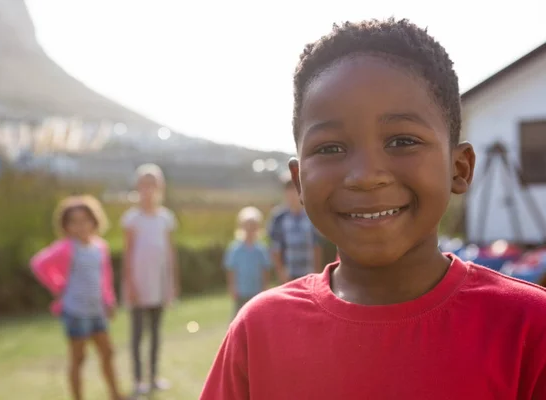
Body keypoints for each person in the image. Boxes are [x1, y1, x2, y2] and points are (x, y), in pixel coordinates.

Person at [200, 18, 546, 399]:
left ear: (459, 168)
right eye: (330, 148)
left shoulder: (529, 328)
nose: (365, 176)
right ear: (299, 182)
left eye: (402, 141)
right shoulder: (259, 331)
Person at [30, 195, 126, 400]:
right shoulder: (66, 248)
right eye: (74, 221)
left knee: (108, 353)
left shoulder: (100, 247)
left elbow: (105, 278)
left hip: (97, 310)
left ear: (94, 221)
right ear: (66, 226)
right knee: (78, 358)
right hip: (76, 312)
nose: (80, 226)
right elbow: (38, 263)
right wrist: (58, 285)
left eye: (85, 220)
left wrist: (109, 302)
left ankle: (116, 394)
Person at [121, 163, 179, 396]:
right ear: (138, 187)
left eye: (152, 184)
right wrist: (131, 285)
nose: (148, 189)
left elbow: (170, 254)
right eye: (144, 184)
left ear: (160, 188)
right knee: (137, 335)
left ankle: (153, 377)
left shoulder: (166, 218)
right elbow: (127, 255)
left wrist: (171, 284)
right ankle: (137, 380)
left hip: (159, 284)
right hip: (137, 284)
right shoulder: (131, 219)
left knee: (156, 333)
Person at [267, 173, 323, 282]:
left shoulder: (311, 214)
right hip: (288, 276)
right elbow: (275, 249)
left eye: (295, 188)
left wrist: (317, 272)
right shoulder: (278, 217)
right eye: (288, 189)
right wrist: (281, 272)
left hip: (309, 275)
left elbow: (316, 246)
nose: (292, 193)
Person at [224, 206, 271, 318]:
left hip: (256, 290)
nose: (250, 229)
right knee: (238, 317)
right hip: (241, 290)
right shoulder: (235, 249)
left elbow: (265, 269)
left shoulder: (261, 249)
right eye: (247, 226)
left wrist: (265, 287)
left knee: (256, 317)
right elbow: (231, 270)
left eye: (253, 226)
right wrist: (232, 287)